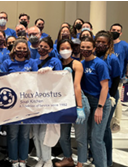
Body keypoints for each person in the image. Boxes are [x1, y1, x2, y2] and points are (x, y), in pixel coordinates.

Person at [1, 39, 37, 167]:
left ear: (27, 50)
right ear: (14, 49)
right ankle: (13, 159)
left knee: (25, 134)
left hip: (27, 103)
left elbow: (37, 80)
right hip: (12, 104)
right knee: (13, 134)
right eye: (19, 48)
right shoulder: (7, 63)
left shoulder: (32, 62)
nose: (21, 51)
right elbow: (2, 81)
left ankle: (23, 159)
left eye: (24, 48)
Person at [54, 39, 90, 167]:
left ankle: (81, 162)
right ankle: (68, 158)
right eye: (62, 48)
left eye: (67, 48)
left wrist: (79, 107)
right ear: (58, 50)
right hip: (64, 103)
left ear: (72, 48)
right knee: (63, 136)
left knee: (80, 137)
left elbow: (77, 86)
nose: (65, 51)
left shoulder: (77, 64)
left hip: (78, 101)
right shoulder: (57, 64)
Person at [80, 37, 111, 167]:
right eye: (83, 47)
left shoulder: (99, 64)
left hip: (100, 103)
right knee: (89, 136)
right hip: (88, 103)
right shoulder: (81, 64)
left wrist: (100, 107)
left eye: (88, 48)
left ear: (93, 48)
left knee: (97, 139)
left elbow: (105, 86)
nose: (85, 50)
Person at [33, 37, 62, 167]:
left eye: (45, 47)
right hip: (34, 101)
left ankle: (47, 159)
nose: (42, 48)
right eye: (40, 46)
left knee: (44, 134)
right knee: (35, 133)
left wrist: (52, 72)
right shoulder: (33, 62)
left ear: (51, 49)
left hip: (49, 101)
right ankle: (40, 158)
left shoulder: (55, 61)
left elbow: (60, 79)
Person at [94, 31, 121, 167]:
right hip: (96, 95)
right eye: (98, 41)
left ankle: (108, 161)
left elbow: (116, 79)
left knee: (104, 129)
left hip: (109, 95)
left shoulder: (112, 58)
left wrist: (109, 97)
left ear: (109, 44)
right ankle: (97, 155)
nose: (100, 44)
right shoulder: (92, 56)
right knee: (98, 127)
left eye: (103, 42)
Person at [110, 23, 128, 133]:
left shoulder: (124, 46)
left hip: (118, 77)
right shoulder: (107, 44)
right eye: (113, 29)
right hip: (106, 76)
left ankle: (116, 123)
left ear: (120, 33)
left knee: (117, 100)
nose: (115, 31)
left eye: (117, 30)